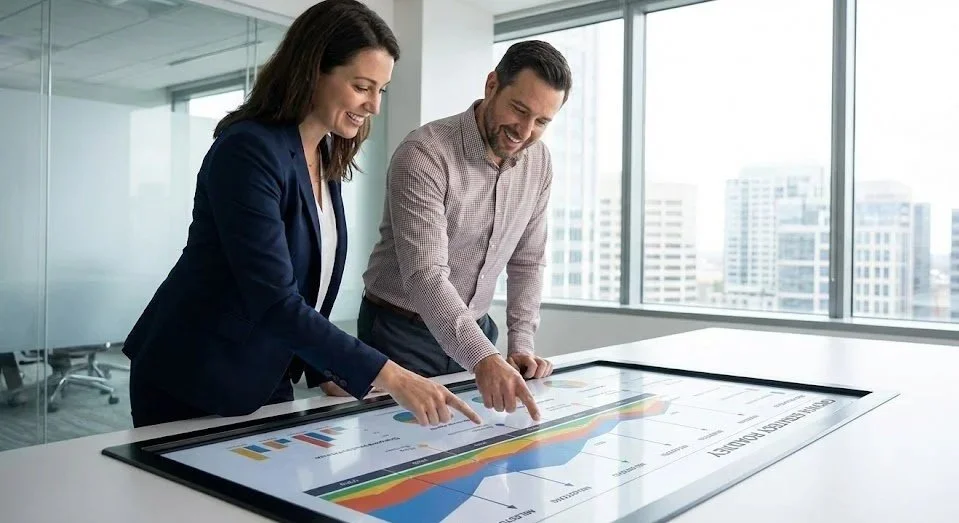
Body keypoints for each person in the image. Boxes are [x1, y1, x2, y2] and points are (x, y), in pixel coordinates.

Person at [122, 0, 480, 429]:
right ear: (314, 71)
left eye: (380, 90)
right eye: (363, 86)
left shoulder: (323, 154)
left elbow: (309, 284)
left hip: (264, 371)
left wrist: (326, 371)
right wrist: (389, 372)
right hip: (195, 372)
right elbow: (273, 297)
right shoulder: (249, 150)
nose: (374, 106)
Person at [347, 40, 572, 420]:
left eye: (542, 122)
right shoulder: (425, 153)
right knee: (402, 462)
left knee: (473, 451)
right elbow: (425, 275)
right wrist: (483, 357)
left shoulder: (539, 162)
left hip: (477, 328)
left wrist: (520, 344)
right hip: (401, 332)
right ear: (491, 86)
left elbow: (528, 261)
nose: (525, 131)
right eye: (519, 110)